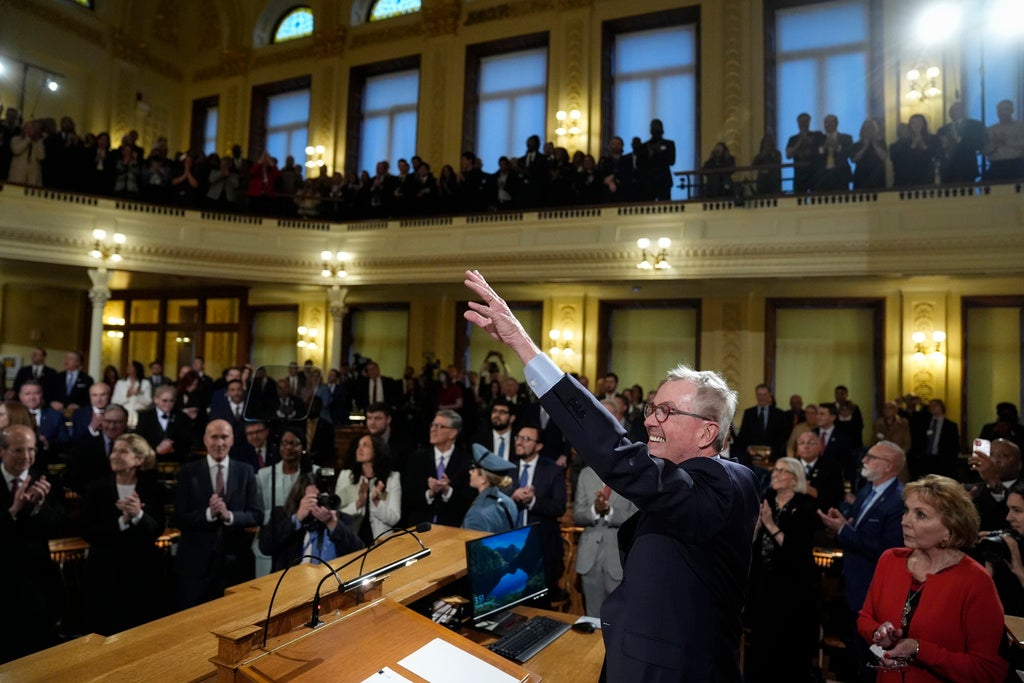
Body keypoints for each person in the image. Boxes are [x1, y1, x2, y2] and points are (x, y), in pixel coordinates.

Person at [462, 269, 761, 682]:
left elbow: (621, 458)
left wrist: (525, 347)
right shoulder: (697, 483)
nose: (652, 420)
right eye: (652, 408)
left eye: (667, 411)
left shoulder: (724, 483)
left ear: (708, 432)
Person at [859, 475, 1007, 682]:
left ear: (950, 529)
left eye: (920, 515)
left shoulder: (975, 581)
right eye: (906, 510)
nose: (904, 521)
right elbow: (865, 618)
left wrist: (919, 649)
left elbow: (988, 670)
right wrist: (878, 632)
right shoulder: (889, 560)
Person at [818, 441, 907, 678]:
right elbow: (857, 530)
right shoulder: (867, 490)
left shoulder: (898, 501)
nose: (864, 461)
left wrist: (843, 531)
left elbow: (887, 550)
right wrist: (843, 524)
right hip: (853, 582)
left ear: (888, 466)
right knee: (857, 654)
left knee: (873, 657)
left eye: (871, 457)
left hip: (874, 587)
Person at [80, 434, 166, 635]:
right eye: (114, 450)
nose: (114, 455)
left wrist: (138, 515)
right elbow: (87, 531)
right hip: (103, 574)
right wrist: (122, 521)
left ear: (139, 459)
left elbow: (157, 529)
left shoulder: (153, 488)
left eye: (122, 451)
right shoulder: (95, 488)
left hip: (141, 574)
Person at [744, 457, 819, 682]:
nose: (775, 474)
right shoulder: (766, 500)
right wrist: (757, 526)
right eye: (775, 470)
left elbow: (798, 552)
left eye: (782, 471)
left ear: (795, 479)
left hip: (792, 589)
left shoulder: (805, 507)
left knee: (787, 649)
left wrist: (770, 524)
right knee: (760, 646)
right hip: (763, 585)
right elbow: (752, 542)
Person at [174, 419, 262, 608]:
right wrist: (209, 514)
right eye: (214, 437)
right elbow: (179, 517)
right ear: (205, 440)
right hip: (195, 567)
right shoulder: (188, 472)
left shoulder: (246, 471)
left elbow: (256, 515)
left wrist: (229, 515)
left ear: (232, 440)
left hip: (235, 564)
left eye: (224, 437)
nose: (219, 443)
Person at [0, 425, 63, 663]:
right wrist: (13, 511)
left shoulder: (46, 480)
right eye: (18, 450)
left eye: (31, 449)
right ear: (2, 451)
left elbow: (59, 526)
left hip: (39, 583)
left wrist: (39, 507)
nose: (26, 457)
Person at [259, 471, 363, 572]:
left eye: (321, 498)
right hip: (291, 583)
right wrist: (297, 518)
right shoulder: (282, 515)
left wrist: (333, 524)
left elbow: (359, 552)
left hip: (331, 582)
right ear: (299, 499)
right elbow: (265, 546)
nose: (318, 503)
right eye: (313, 499)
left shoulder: (341, 520)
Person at [574, 465, 637, 618]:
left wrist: (610, 512)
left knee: (617, 618)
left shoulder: (632, 475)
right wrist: (595, 509)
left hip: (617, 558)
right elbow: (577, 514)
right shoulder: (586, 473)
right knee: (592, 616)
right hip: (589, 559)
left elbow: (636, 517)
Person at [336, 434, 401, 546]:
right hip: (351, 542)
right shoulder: (345, 477)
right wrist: (358, 504)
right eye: (358, 446)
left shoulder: (392, 479)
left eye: (365, 445)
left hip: (380, 544)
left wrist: (376, 502)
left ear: (376, 451)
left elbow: (394, 518)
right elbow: (336, 515)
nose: (359, 449)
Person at [462, 443, 517, 533]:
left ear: (483, 478)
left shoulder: (477, 514)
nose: (470, 472)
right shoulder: (509, 502)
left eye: (473, 469)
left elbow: (473, 546)